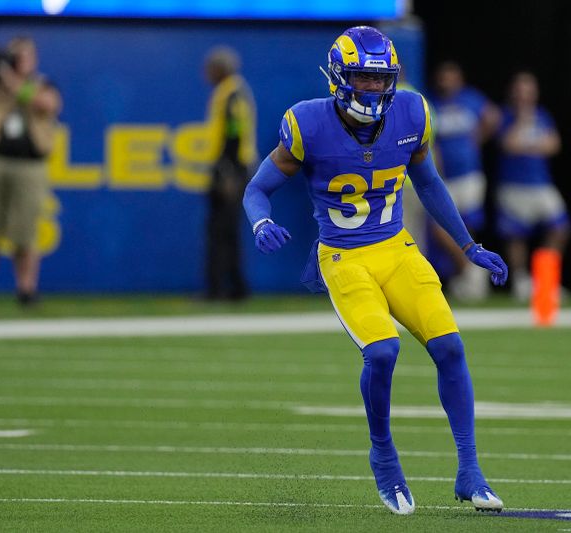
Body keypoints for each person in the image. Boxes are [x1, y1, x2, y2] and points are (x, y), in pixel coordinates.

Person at [243, 26, 508, 515]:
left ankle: (470, 470)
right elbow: (256, 188)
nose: (372, 87)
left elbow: (428, 184)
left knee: (450, 345)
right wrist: (260, 222)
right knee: (383, 352)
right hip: (344, 257)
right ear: (339, 77)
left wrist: (468, 245)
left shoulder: (411, 111)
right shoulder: (306, 123)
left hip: (396, 247)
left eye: (379, 78)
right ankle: (383, 455)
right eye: (362, 78)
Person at [0, 36, 61, 307]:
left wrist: (8, 77)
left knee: (25, 231)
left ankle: (26, 289)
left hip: (29, 164)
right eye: (16, 57)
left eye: (27, 57)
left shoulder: (42, 84)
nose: (21, 62)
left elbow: (44, 104)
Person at [426, 61, 501, 301]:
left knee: (469, 226)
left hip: (470, 175)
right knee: (440, 228)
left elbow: (493, 116)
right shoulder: (433, 103)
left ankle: (470, 275)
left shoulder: (470, 99)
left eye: (451, 77)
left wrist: (479, 137)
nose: (446, 81)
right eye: (443, 77)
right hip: (445, 177)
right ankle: (469, 270)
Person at [496, 72, 570, 304]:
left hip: (541, 183)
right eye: (519, 90)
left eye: (528, 90)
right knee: (516, 235)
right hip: (513, 185)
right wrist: (522, 121)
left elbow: (553, 145)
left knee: (560, 228)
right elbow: (508, 144)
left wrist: (528, 145)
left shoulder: (542, 115)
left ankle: (545, 281)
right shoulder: (505, 116)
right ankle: (521, 281)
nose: (524, 96)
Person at [202, 46, 257, 301]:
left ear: (220, 69)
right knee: (223, 231)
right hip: (230, 166)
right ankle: (232, 288)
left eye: (211, 68)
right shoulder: (231, 91)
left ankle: (226, 289)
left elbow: (234, 133)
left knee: (223, 231)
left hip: (231, 168)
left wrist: (227, 172)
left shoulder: (232, 93)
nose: (207, 73)